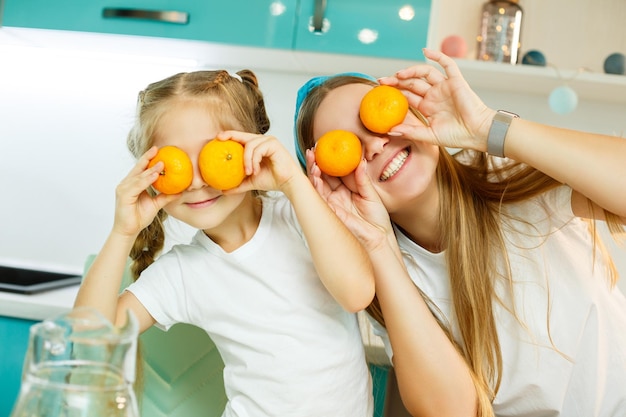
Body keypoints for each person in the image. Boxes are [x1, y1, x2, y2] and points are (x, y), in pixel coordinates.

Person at [293, 48, 626, 417]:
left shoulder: (502, 175)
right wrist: (377, 242)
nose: (374, 145)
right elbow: (453, 412)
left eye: (375, 116)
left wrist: (488, 127)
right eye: (346, 148)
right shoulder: (387, 278)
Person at [74, 69, 377, 417]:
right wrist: (121, 232)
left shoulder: (301, 217)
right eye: (174, 165)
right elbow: (89, 339)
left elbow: (356, 294)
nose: (196, 181)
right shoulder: (183, 272)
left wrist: (293, 182)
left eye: (211, 155)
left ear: (249, 146)